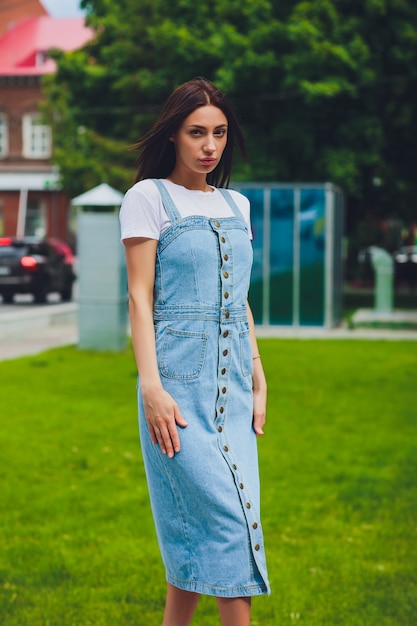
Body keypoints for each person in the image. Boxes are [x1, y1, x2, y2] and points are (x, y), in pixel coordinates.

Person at [119, 77, 270, 626]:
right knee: (230, 524)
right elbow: (139, 298)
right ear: (173, 135)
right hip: (176, 386)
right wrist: (151, 388)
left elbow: (242, 301)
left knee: (196, 537)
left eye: (220, 133)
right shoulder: (147, 198)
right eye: (197, 132)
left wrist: (258, 378)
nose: (210, 145)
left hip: (232, 384)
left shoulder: (238, 204)